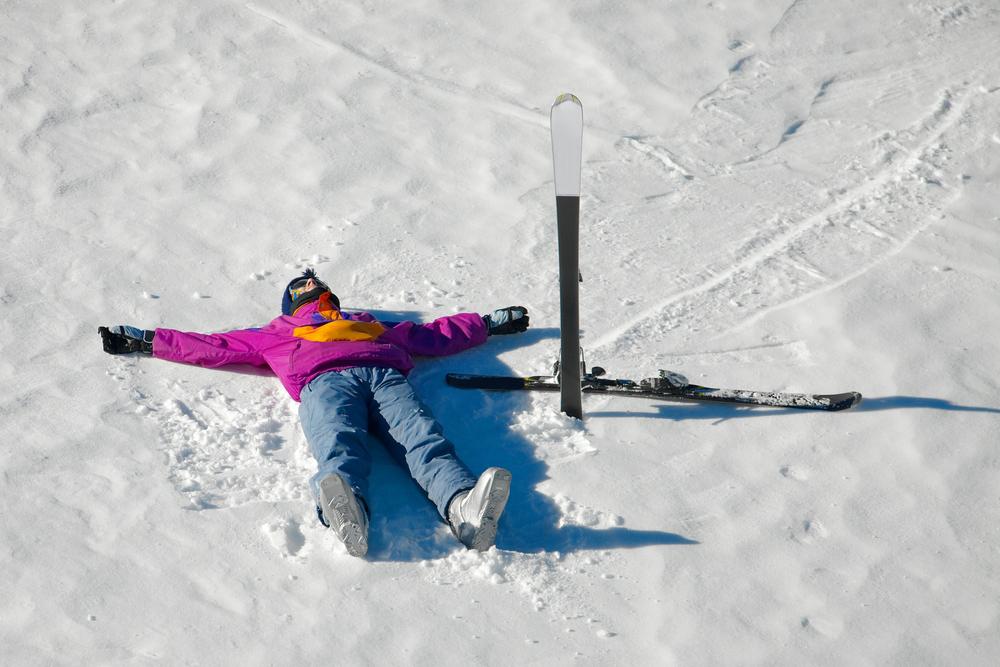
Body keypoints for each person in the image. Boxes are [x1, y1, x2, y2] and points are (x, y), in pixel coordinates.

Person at [99, 269, 529, 557]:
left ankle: (463, 507)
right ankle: (349, 508)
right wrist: (147, 340)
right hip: (328, 382)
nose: (316, 303)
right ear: (293, 305)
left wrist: (486, 324)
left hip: (377, 377)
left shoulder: (367, 320)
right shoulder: (275, 332)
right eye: (308, 296)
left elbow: (433, 334)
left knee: (410, 439)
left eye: (317, 295)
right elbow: (216, 347)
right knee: (364, 442)